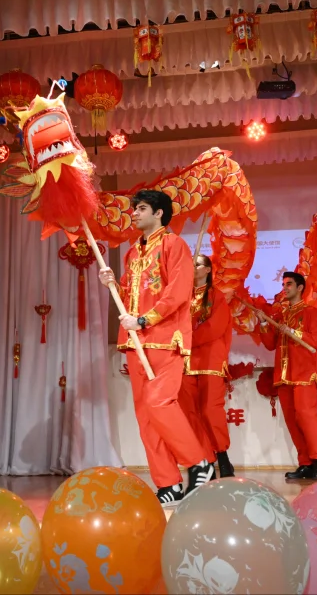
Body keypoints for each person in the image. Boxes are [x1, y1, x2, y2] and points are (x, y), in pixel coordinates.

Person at [99, 190, 214, 504]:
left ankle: (198, 462)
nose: (134, 213)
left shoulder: (174, 245)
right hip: (136, 342)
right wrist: (112, 282)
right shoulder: (132, 253)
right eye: (134, 208)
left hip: (164, 337)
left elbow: (177, 292)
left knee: (160, 403)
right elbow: (128, 296)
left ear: (160, 213)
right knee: (146, 416)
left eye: (142, 208)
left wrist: (145, 320)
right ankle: (168, 484)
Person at [259, 272, 317, 480]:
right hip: (284, 375)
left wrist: (291, 331)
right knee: (291, 420)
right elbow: (271, 344)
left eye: (289, 284)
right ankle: (305, 462)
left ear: (300, 288)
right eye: (283, 284)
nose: (285, 287)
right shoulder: (281, 315)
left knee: (306, 416)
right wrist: (264, 324)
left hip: (305, 373)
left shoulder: (312, 313)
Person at [179, 254, 235, 478]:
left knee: (211, 410)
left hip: (210, 360)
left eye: (198, 264)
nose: (193, 268)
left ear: (209, 270)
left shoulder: (216, 296)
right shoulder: (183, 297)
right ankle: (205, 461)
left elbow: (215, 327)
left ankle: (222, 456)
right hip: (185, 362)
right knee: (189, 412)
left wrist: (186, 337)